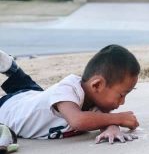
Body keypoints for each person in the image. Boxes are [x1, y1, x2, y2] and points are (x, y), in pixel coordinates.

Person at [0, 44, 140, 145]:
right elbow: (78, 121)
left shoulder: (95, 104)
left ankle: (11, 68)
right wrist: (119, 118)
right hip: (7, 109)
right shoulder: (68, 89)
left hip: (32, 100)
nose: (122, 103)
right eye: (121, 95)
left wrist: (112, 128)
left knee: (34, 94)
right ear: (97, 85)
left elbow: (103, 119)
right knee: (28, 96)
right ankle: (11, 69)